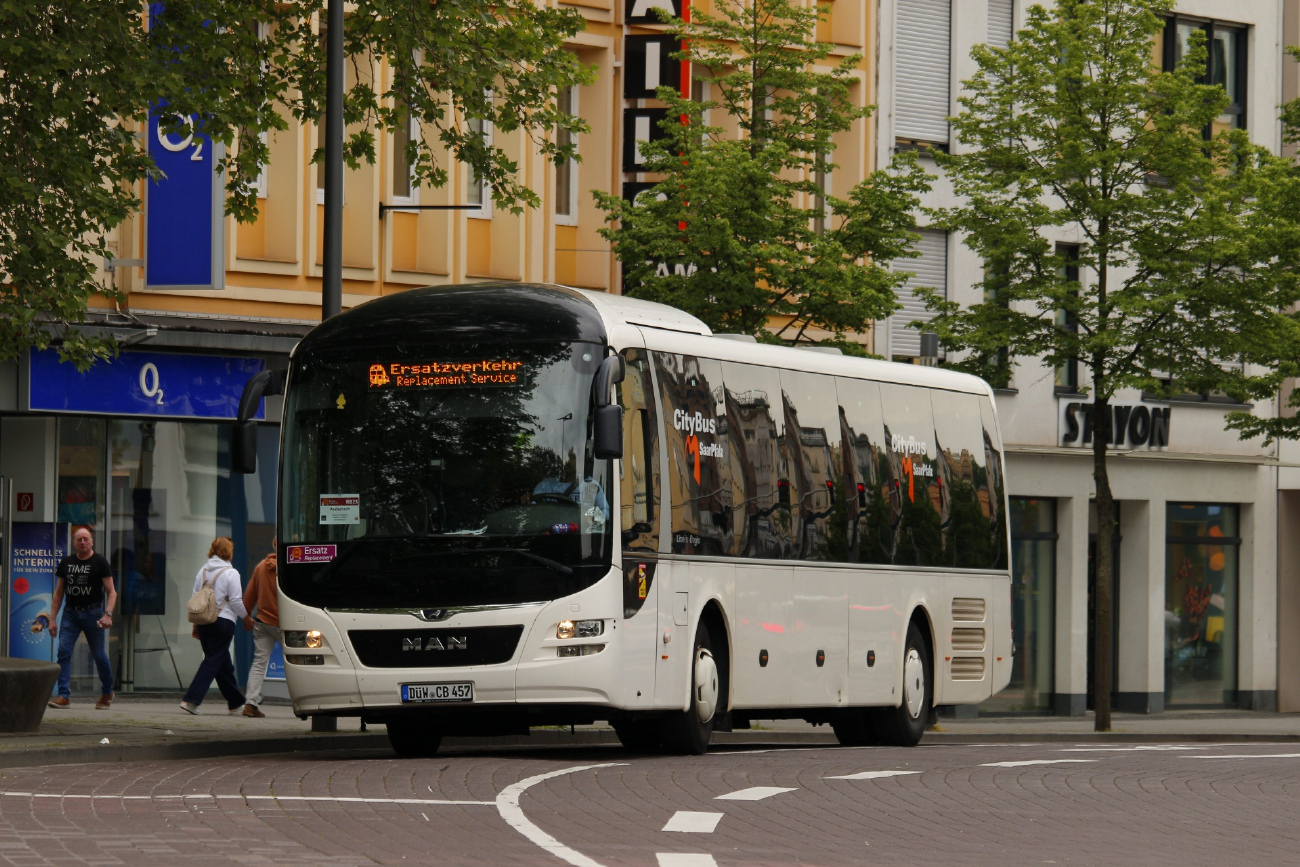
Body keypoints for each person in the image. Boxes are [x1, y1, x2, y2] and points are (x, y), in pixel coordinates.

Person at [47, 527, 117, 710]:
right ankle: (63, 695)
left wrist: (108, 614)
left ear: (92, 541)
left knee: (98, 654)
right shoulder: (66, 563)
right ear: (74, 543)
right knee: (63, 651)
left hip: (93, 613)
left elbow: (112, 592)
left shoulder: (100, 562)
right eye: (79, 540)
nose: (83, 542)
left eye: (86, 539)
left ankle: (107, 692)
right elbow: (58, 593)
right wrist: (52, 619)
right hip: (71, 613)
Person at [180, 537, 248, 715]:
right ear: (229, 551)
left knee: (221, 662)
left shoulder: (202, 571)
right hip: (223, 621)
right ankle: (191, 700)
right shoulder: (231, 573)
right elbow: (235, 601)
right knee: (213, 660)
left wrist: (195, 624)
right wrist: (246, 617)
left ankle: (235, 703)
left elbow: (195, 597)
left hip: (204, 622)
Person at [240, 538, 280, 718]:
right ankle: (303, 702)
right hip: (285, 625)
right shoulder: (288, 568)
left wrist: (247, 616)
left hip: (262, 623)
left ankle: (250, 703)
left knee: (259, 663)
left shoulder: (261, 567)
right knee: (296, 662)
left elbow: (249, 596)